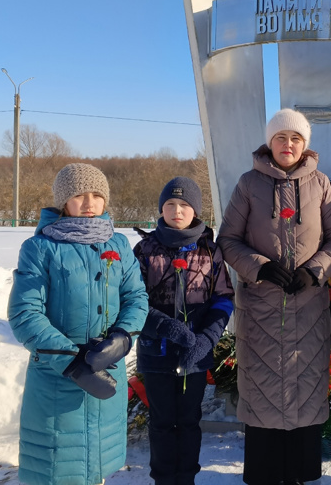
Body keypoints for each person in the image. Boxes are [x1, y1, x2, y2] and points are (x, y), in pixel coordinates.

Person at [217, 108, 331, 485]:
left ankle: (301, 474)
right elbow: (228, 239)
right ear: (269, 142)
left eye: (295, 139)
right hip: (261, 309)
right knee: (262, 393)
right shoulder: (248, 183)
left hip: (308, 308)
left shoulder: (321, 183)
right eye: (280, 138)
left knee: (305, 389)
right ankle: (264, 475)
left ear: (304, 145)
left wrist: (315, 270)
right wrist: (258, 267)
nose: (287, 145)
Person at [7, 163, 148, 485]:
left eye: (97, 195)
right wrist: (73, 363)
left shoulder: (119, 245)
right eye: (79, 195)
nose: (89, 204)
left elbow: (137, 298)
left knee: (97, 467)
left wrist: (123, 337)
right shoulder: (40, 248)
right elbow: (24, 313)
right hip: (58, 379)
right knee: (59, 469)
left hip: (107, 372)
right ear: (63, 201)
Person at [134, 176, 234, 485]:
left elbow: (224, 299)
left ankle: (187, 478)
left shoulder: (210, 251)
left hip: (195, 353)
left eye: (185, 205)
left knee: (189, 421)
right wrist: (162, 326)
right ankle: (164, 479)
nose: (177, 211)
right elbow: (132, 301)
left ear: (196, 211)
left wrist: (207, 338)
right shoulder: (144, 249)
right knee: (162, 421)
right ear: (161, 209)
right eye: (170, 204)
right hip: (156, 352)